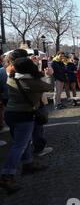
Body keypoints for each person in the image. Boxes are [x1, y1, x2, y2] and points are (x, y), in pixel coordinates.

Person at [0, 57, 53, 194]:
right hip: (24, 115)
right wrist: (48, 75)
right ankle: (7, 175)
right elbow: (48, 87)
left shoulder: (11, 78)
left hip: (10, 114)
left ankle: (28, 164)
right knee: (19, 145)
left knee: (21, 143)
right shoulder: (32, 82)